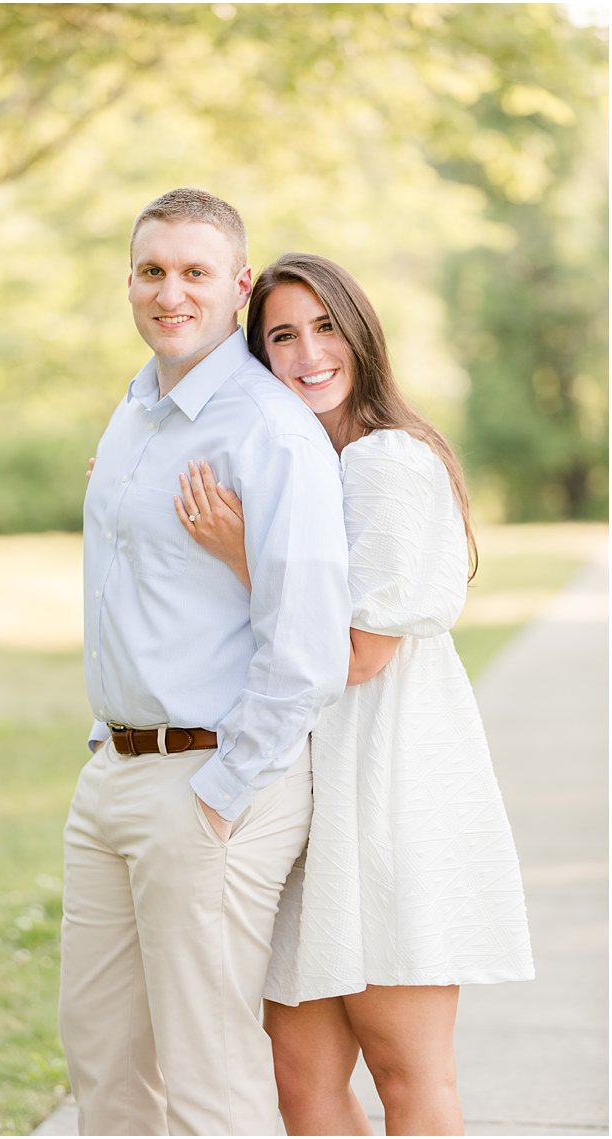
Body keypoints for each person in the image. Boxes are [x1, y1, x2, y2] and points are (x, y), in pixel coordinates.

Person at [172, 252, 533, 1135]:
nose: (307, 354)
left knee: (409, 1076)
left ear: (361, 335)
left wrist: (245, 557)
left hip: (384, 789)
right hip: (305, 797)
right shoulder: (307, 468)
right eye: (281, 336)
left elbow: (361, 652)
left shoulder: (387, 462)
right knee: (300, 1080)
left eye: (325, 327)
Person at [60, 187, 352, 1136]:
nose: (170, 292)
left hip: (212, 779)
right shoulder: (134, 410)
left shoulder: (269, 430)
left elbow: (307, 645)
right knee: (103, 1061)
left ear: (238, 286)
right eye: (152, 271)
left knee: (210, 1079)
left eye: (194, 272)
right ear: (130, 283)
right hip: (113, 772)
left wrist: (224, 789)